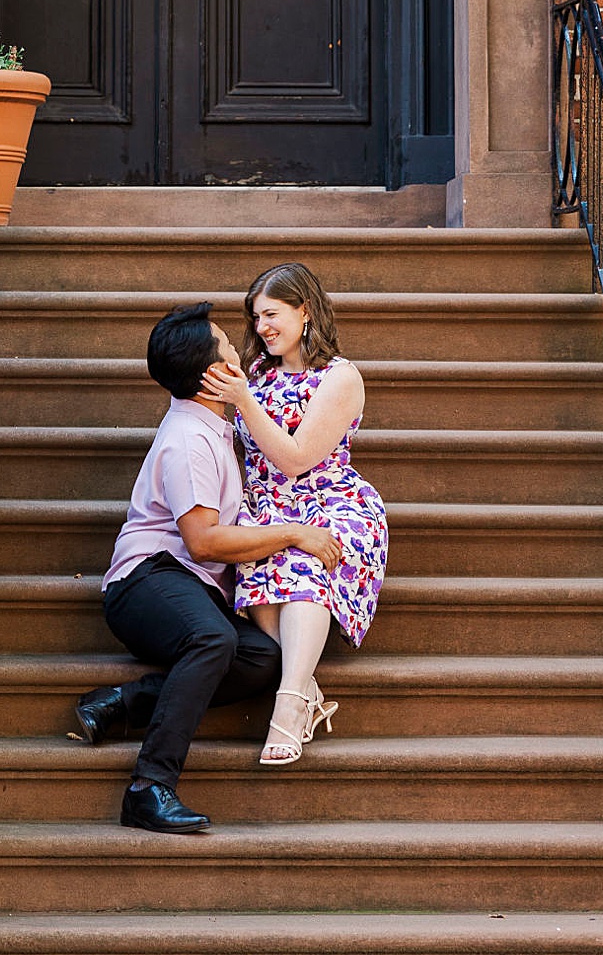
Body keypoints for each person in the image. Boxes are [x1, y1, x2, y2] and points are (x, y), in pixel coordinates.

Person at [73, 302, 345, 834]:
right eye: (226, 344)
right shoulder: (190, 440)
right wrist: (294, 534)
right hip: (146, 581)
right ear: (215, 375)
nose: (238, 349)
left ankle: (124, 701)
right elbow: (203, 542)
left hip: (185, 583)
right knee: (213, 642)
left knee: (264, 659)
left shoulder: (213, 424)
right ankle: (149, 787)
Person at [201, 263, 389, 766]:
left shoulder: (340, 376)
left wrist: (243, 398)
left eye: (272, 313)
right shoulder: (255, 372)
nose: (261, 326)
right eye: (255, 316)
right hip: (266, 506)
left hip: (331, 502)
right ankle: (308, 692)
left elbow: (297, 458)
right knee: (259, 570)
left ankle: (286, 710)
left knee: (304, 569)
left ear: (304, 311)